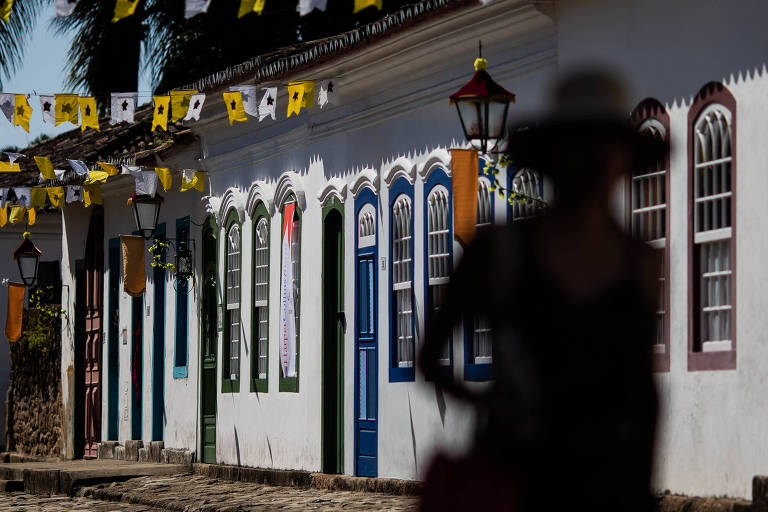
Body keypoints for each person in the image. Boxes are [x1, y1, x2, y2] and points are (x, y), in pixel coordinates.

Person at [419, 71, 662, 512]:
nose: (595, 161)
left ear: (623, 157)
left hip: (612, 486)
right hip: (518, 482)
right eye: (581, 146)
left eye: (605, 146)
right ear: (555, 156)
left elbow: (644, 395)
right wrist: (491, 404)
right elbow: (428, 356)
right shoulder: (499, 253)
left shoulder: (641, 263)